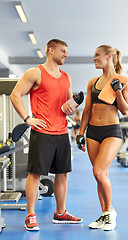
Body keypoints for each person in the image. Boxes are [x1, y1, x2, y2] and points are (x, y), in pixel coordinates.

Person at [10, 39, 83, 231]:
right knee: (35, 174)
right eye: (62, 51)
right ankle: (31, 216)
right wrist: (27, 118)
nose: (66, 54)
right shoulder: (35, 73)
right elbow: (15, 95)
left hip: (62, 132)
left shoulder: (67, 76)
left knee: (62, 174)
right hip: (42, 132)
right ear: (50, 50)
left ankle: (60, 213)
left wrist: (72, 106)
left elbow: (68, 106)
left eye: (67, 51)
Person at [76, 45, 128, 231]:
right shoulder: (93, 82)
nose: (94, 59)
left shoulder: (123, 81)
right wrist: (80, 133)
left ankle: (109, 214)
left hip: (111, 132)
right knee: (100, 177)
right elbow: (86, 110)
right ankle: (105, 214)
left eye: (97, 55)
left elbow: (124, 110)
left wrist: (117, 91)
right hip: (92, 132)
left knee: (99, 172)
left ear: (109, 57)